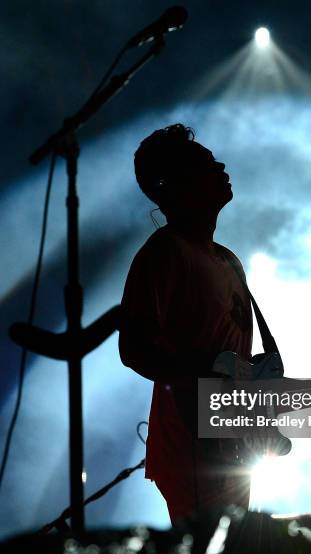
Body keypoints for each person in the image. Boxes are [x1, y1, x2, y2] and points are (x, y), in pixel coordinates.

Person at [119, 124, 253, 524]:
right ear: (175, 185)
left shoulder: (228, 259)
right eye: (206, 164)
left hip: (230, 439)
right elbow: (135, 348)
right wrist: (203, 385)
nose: (221, 166)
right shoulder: (164, 252)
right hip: (194, 440)